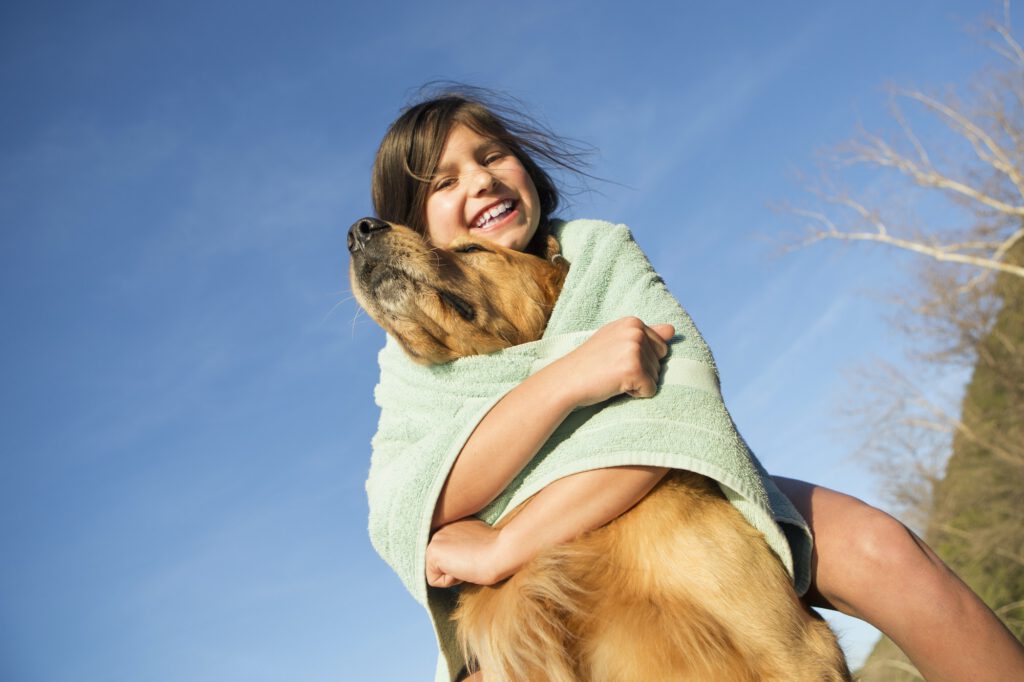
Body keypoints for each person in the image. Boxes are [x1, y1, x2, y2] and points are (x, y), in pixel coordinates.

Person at [368, 87, 1024, 682]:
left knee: (880, 548)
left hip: (669, 481)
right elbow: (413, 504)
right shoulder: (411, 363)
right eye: (445, 181)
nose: (481, 181)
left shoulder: (596, 255)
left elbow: (680, 417)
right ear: (414, 231)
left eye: (493, 156)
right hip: (517, 564)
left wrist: (506, 541)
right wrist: (569, 380)